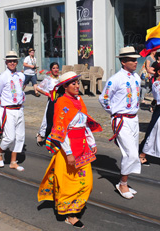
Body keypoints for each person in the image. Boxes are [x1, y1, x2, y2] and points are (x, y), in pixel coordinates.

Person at [38, 71, 102, 229]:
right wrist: (68, 153)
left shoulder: (79, 100)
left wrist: (92, 143)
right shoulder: (61, 102)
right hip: (69, 148)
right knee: (68, 183)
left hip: (82, 146)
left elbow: (85, 123)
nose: (77, 85)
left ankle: (73, 208)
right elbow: (61, 130)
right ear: (65, 87)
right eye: (73, 83)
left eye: (77, 83)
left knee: (86, 183)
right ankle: (70, 215)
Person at [99, 46, 142, 200]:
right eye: (131, 60)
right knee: (131, 153)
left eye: (136, 59)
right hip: (121, 119)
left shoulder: (137, 77)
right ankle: (122, 184)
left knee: (132, 152)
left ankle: (125, 180)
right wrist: (114, 112)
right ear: (123, 62)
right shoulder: (115, 79)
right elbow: (103, 98)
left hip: (133, 119)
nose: (135, 62)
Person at [0, 51, 26, 171]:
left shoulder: (21, 76)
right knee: (9, 137)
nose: (12, 63)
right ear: (6, 62)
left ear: (17, 62)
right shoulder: (2, 77)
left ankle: (13, 161)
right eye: (10, 61)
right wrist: (1, 107)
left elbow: (21, 91)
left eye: (14, 61)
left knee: (20, 136)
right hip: (8, 109)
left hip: (19, 109)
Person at [35, 62, 60, 145]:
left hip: (60, 102)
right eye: (54, 68)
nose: (55, 70)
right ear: (51, 70)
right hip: (51, 102)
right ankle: (41, 135)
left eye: (57, 68)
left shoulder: (60, 78)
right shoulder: (48, 79)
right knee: (47, 120)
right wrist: (48, 94)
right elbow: (38, 88)